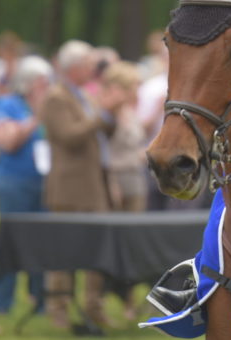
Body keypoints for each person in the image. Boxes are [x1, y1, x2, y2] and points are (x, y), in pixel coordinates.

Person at [42, 40, 116, 330]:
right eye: (88, 63)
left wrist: (109, 115)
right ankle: (58, 308)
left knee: (96, 250)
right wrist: (101, 115)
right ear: (73, 67)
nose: (93, 69)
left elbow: (100, 133)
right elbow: (70, 136)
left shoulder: (84, 95)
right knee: (64, 252)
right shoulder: (55, 97)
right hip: (69, 189)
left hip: (94, 186)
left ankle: (93, 306)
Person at [0, 55, 54, 317]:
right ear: (29, 82)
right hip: (14, 182)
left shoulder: (51, 106)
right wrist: (35, 118)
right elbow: (6, 141)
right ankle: (1, 301)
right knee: (11, 240)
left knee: (43, 242)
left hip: (45, 182)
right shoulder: (8, 104)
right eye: (42, 82)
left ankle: (41, 301)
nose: (47, 86)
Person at [100, 60, 147, 320]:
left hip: (136, 182)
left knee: (132, 246)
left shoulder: (129, 111)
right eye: (133, 85)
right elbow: (105, 154)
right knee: (113, 245)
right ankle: (102, 299)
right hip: (118, 182)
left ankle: (129, 300)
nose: (137, 90)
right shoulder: (109, 114)